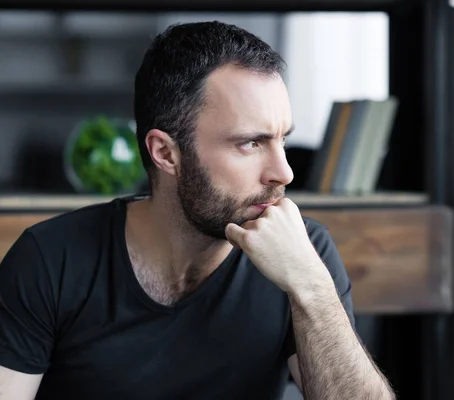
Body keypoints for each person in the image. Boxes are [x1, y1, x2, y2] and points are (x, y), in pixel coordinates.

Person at [0, 21, 395, 400]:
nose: (284, 172)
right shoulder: (52, 260)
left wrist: (311, 288)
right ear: (166, 153)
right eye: (251, 144)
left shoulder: (306, 254)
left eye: (282, 141)